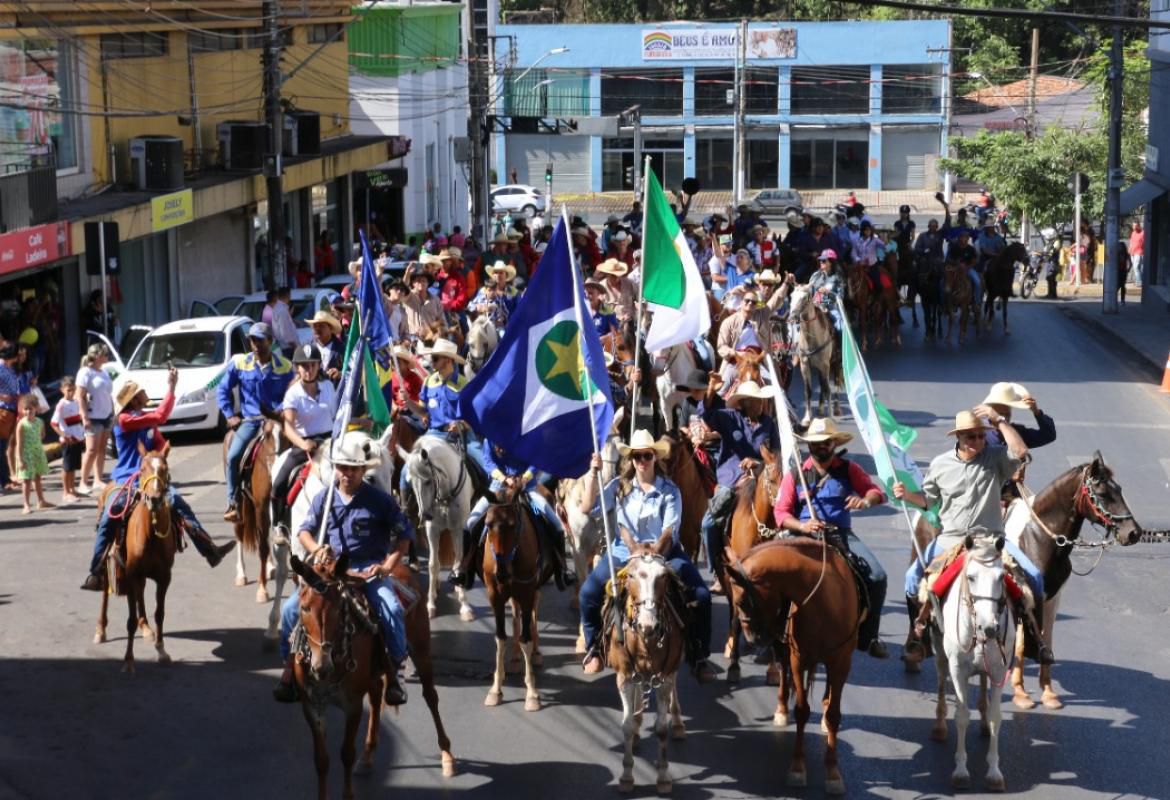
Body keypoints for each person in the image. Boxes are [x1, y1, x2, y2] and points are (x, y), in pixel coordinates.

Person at [892, 410, 1053, 665]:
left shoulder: (996, 458)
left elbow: (1021, 452)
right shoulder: (940, 464)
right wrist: (906, 495)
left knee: (1034, 577)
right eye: (972, 437)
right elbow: (928, 500)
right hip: (950, 541)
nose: (978, 441)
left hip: (991, 539)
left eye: (981, 436)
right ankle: (917, 638)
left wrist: (999, 421)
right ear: (959, 438)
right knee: (911, 580)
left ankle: (1036, 643)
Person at [272, 432, 414, 705]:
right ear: (335, 468)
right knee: (291, 610)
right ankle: (289, 668)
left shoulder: (381, 501)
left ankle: (397, 671)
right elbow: (304, 531)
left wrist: (388, 565)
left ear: (363, 470)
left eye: (353, 468)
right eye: (342, 467)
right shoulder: (324, 499)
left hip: (367, 572)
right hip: (330, 571)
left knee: (392, 609)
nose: (347, 473)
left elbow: (404, 536)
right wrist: (316, 549)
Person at [577, 430, 717, 682]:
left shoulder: (670, 490)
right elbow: (588, 507)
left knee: (702, 596)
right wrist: (594, 473)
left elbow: (669, 530)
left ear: (655, 458)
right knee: (588, 593)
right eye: (637, 456)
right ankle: (593, 649)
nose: (642, 461)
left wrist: (650, 552)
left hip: (663, 552)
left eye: (647, 456)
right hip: (623, 551)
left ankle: (699, 655)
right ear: (631, 459)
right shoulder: (619, 487)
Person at [82, 373, 236, 590]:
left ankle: (209, 549)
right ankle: (96, 570)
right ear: (132, 400)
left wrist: (159, 462)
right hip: (125, 478)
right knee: (110, 514)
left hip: (150, 478)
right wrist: (171, 388)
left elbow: (161, 446)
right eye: (139, 395)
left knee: (180, 504)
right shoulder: (125, 420)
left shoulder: (146, 422)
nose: (142, 397)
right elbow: (161, 416)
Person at [773, 418, 889, 658]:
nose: (822, 446)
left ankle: (869, 637)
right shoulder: (796, 474)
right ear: (809, 446)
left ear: (834, 443)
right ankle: (773, 634)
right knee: (772, 576)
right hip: (802, 534)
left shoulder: (849, 469)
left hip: (839, 534)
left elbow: (876, 492)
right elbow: (781, 512)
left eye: (826, 442)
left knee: (877, 576)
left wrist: (865, 500)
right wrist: (803, 526)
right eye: (816, 443)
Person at [450, 438, 576, 590]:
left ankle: (561, 569)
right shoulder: (490, 438)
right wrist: (504, 479)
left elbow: (536, 462)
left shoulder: (527, 435)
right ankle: (465, 570)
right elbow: (488, 463)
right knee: (470, 523)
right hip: (496, 491)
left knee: (551, 521)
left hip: (527, 491)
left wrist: (524, 478)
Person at [698, 377, 780, 585]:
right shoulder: (730, 417)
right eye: (755, 400)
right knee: (708, 523)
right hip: (732, 478)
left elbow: (776, 454)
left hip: (760, 478)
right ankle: (717, 569)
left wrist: (757, 463)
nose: (760, 404)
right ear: (743, 403)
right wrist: (710, 389)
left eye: (760, 400)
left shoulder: (769, 424)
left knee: (783, 511)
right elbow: (706, 414)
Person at [217, 322, 295, 522]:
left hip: (278, 421)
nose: (256, 345)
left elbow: (294, 392)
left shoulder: (285, 366)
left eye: (261, 340)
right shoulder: (240, 364)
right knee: (234, 456)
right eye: (253, 340)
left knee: (304, 453)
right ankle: (233, 501)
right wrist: (229, 414)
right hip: (251, 421)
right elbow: (223, 389)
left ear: (271, 341)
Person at [271, 344, 338, 528]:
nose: (308, 370)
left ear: (318, 366)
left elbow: (335, 416)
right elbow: (288, 427)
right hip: (304, 445)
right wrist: (303, 443)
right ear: (297, 368)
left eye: (312, 365)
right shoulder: (292, 394)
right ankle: (279, 525)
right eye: (304, 365)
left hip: (329, 443)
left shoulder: (328, 387)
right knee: (279, 483)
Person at [76, 343, 115, 496]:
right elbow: (80, 395)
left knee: (102, 449)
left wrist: (112, 411)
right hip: (93, 416)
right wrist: (84, 416)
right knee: (91, 450)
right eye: (105, 354)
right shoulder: (85, 372)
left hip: (105, 415)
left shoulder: (103, 372)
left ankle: (98, 479)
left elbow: (107, 394)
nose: (107, 357)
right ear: (98, 356)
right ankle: (83, 482)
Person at [13, 394, 51, 514]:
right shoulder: (21, 424)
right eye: (26, 409)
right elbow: (19, 443)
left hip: (37, 453)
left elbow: (42, 435)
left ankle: (41, 501)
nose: (28, 411)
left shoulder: (40, 422)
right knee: (27, 480)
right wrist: (19, 459)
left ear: (36, 408)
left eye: (31, 408)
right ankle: (26, 504)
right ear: (22, 410)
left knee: (38, 477)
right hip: (26, 454)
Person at [51, 375, 86, 504]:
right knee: (67, 466)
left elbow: (78, 419)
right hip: (68, 439)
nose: (71, 392)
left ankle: (72, 489)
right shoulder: (61, 405)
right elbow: (54, 423)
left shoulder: (76, 402)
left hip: (77, 437)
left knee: (73, 466)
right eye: (68, 390)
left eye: (73, 389)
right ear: (62, 390)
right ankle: (66, 492)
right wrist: (64, 435)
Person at [402, 267, 446, 342]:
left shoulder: (436, 300)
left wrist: (439, 332)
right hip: (412, 338)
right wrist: (407, 274)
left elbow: (442, 321)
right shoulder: (408, 296)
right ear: (413, 283)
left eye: (424, 281)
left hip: (431, 338)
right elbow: (403, 288)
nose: (421, 283)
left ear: (428, 283)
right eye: (418, 281)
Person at [307, 311, 344, 385]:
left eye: (321, 326)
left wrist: (340, 373)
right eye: (315, 326)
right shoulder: (307, 347)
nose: (317, 329)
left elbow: (351, 371)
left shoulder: (341, 348)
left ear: (330, 328)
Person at [0, 343, 19, 492]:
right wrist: (2, 397)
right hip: (3, 410)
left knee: (4, 446)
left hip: (11, 410)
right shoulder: (0, 368)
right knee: (1, 447)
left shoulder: (9, 368)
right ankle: (3, 480)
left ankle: (5, 479)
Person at [595, 258, 637, 323]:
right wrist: (615, 318)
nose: (617, 277)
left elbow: (640, 301)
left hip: (631, 322)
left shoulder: (630, 284)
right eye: (613, 275)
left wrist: (633, 314)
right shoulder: (600, 288)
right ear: (606, 274)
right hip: (611, 324)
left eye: (618, 274)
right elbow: (599, 310)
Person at [271, 287, 299, 355]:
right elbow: (285, 332)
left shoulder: (278, 308)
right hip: (287, 348)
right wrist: (295, 346)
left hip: (285, 347)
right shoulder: (282, 310)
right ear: (288, 295)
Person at [1128, 221, 1144, 288]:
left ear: (1138, 226)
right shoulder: (1133, 233)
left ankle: (1139, 282)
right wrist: (1129, 249)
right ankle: (1139, 280)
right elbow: (1131, 242)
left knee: (1136, 267)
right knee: (1137, 268)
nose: (1134, 227)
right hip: (1132, 252)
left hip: (1139, 252)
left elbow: (1144, 242)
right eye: (1133, 226)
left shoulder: (1142, 233)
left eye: (1135, 226)